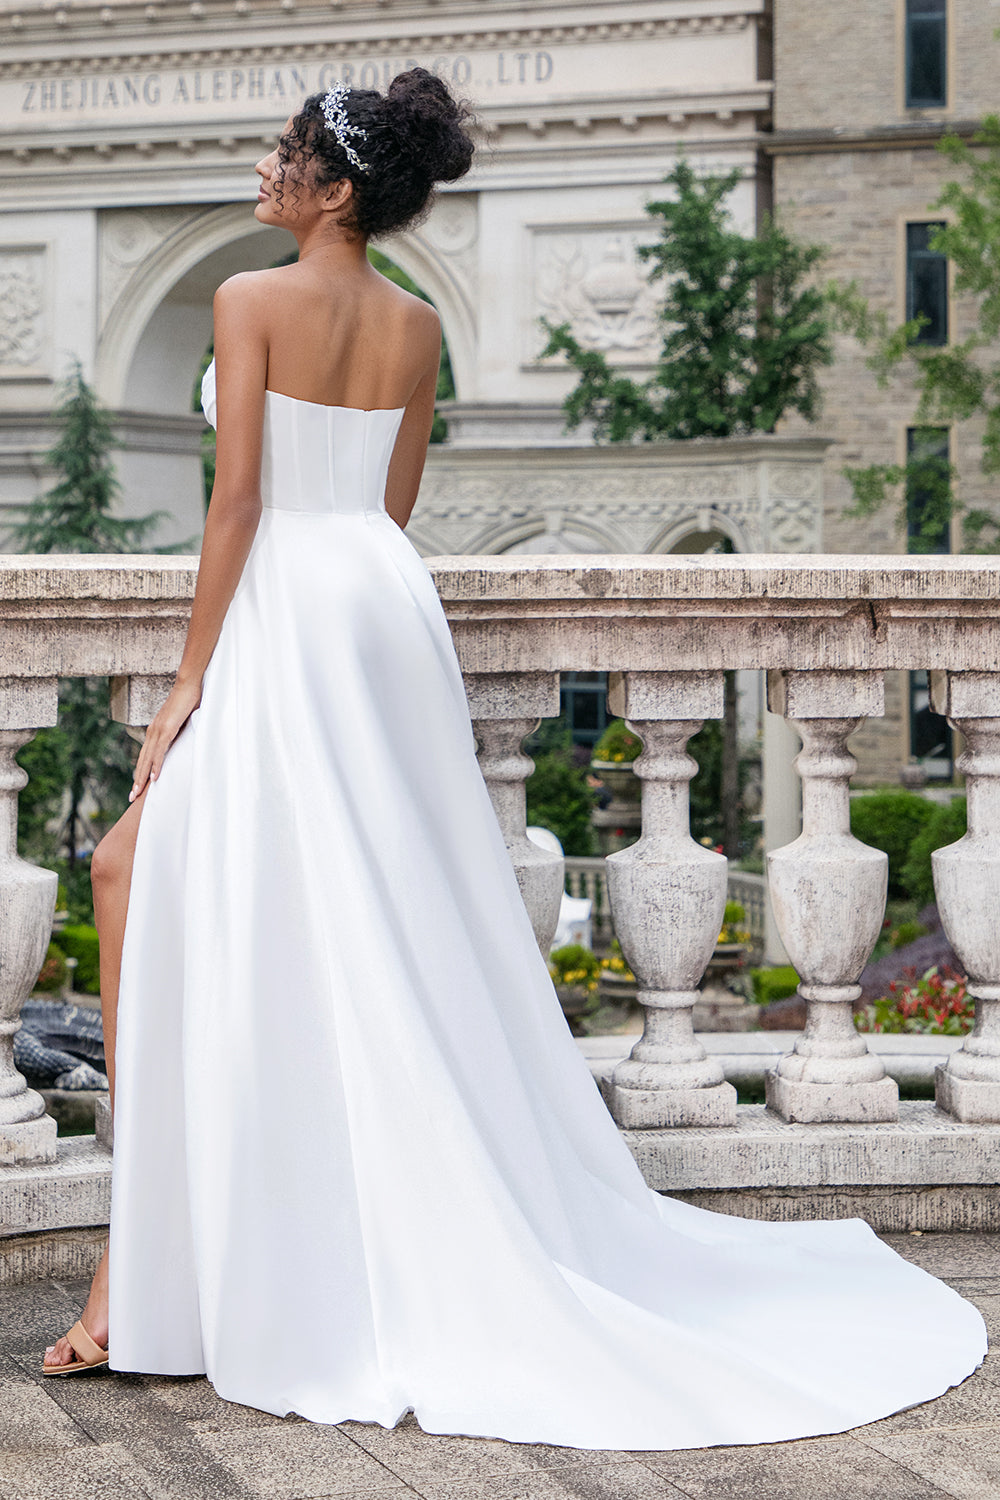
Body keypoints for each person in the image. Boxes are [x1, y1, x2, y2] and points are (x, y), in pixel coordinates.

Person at [42, 70, 987, 1450]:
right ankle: (157, 1265)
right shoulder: (419, 326)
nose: (266, 165)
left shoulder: (247, 303)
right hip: (377, 597)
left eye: (287, 152)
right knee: (276, 898)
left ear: (336, 186)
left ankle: (142, 1271)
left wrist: (187, 681)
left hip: (292, 607)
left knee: (165, 877)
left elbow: (237, 500)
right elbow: (398, 497)